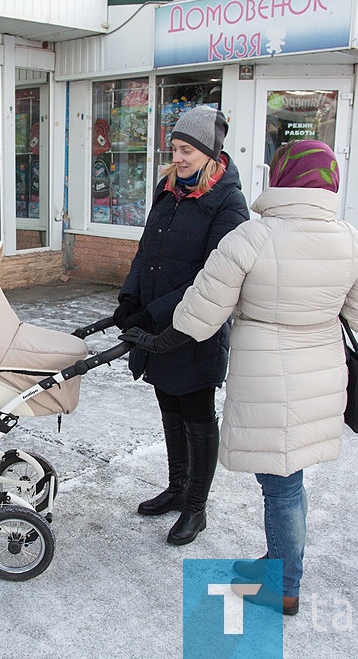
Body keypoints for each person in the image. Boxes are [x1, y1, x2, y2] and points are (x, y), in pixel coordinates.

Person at [121, 140, 358, 614]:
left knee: (280, 484)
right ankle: (280, 562)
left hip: (268, 374)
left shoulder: (251, 238)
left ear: (280, 177)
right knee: (292, 476)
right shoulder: (353, 240)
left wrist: (154, 340)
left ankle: (284, 582)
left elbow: (200, 315)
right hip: (322, 373)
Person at [111, 105, 249, 546]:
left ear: (210, 153)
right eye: (174, 148)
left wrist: (154, 312)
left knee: (195, 413)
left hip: (196, 328)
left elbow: (214, 276)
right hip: (156, 325)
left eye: (188, 150)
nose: (179, 157)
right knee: (168, 403)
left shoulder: (228, 202)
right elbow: (145, 251)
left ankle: (196, 507)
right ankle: (175, 488)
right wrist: (131, 297)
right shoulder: (168, 187)